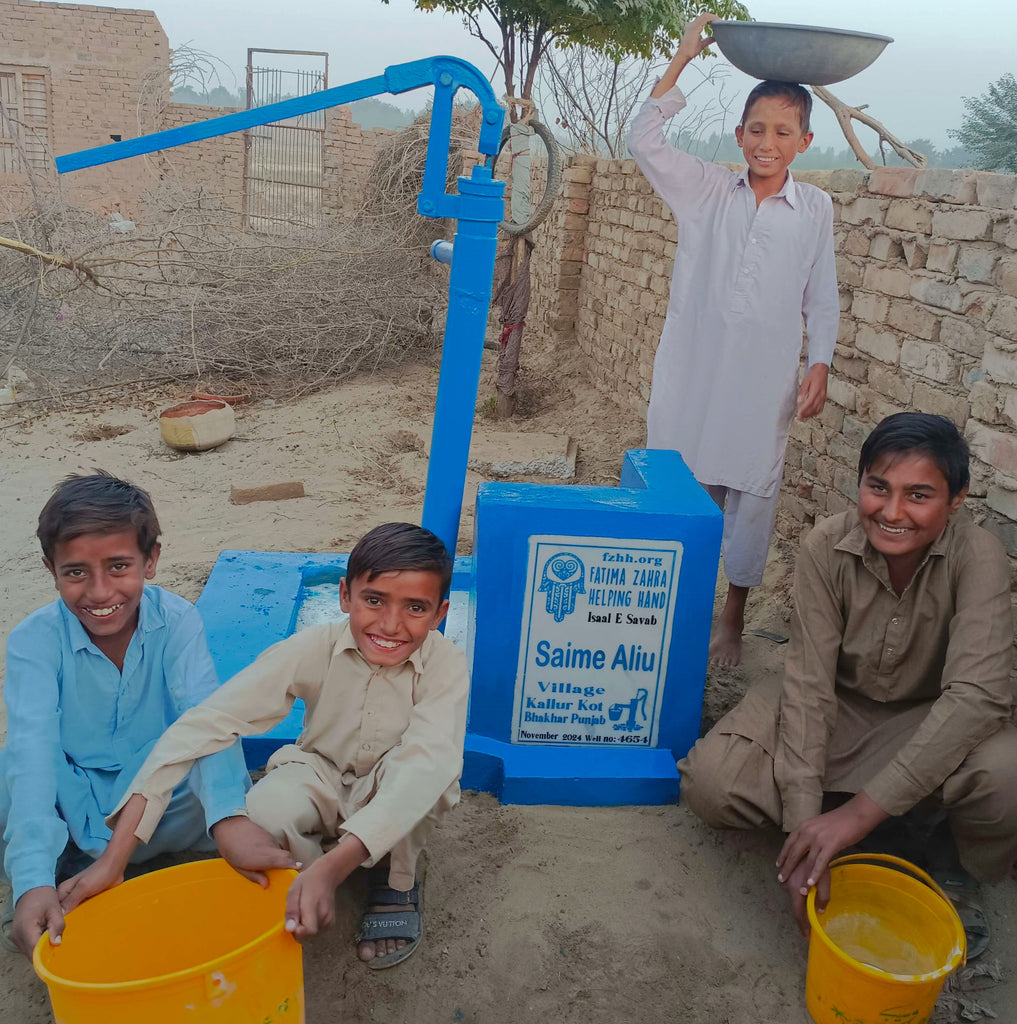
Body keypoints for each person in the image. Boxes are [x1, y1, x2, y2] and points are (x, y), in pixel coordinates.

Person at [60, 522, 468, 970]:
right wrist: (115, 859)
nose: (391, 624)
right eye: (374, 600)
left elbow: (427, 764)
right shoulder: (312, 647)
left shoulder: (445, 664)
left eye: (415, 608)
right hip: (321, 771)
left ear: (439, 613)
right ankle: (306, 875)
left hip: (395, 783)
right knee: (263, 810)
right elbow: (206, 724)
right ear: (344, 596)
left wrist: (332, 871)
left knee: (428, 783)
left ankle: (393, 879)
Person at [679, 413, 1017, 946]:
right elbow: (811, 688)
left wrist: (858, 814)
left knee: (1005, 777)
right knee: (713, 782)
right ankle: (834, 825)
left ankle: (945, 858)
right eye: (877, 487)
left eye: (919, 495)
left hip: (925, 718)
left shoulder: (980, 558)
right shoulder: (825, 547)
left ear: (956, 500)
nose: (892, 512)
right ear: (859, 483)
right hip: (837, 708)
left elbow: (976, 698)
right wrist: (802, 828)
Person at [627, 13, 840, 666]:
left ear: (803, 141)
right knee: (681, 487)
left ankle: (730, 618)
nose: (765, 142)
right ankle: (663, 608)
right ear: (738, 133)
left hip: (760, 380)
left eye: (780, 131)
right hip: (693, 373)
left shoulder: (813, 212)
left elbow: (821, 295)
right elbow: (641, 138)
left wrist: (819, 363)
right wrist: (683, 56)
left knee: (750, 493)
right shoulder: (705, 192)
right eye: (755, 129)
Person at [0, 472, 252, 957]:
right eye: (75, 572)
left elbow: (204, 722)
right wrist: (31, 880)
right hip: (74, 795)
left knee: (226, 790)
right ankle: (43, 881)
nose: (98, 592)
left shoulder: (178, 622)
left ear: (151, 560)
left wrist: (228, 819)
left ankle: (77, 867)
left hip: (164, 801)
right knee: (15, 773)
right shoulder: (33, 640)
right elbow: (34, 753)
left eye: (119, 567)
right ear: (50, 567)